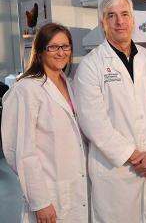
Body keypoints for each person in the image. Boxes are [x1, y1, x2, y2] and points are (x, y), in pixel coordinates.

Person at [73, 0, 146, 223]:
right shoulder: (91, 66)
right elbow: (94, 123)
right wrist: (138, 158)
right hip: (117, 172)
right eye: (112, 16)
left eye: (125, 14)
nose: (120, 21)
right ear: (103, 24)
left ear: (133, 20)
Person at [1, 23, 89, 223]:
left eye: (65, 46)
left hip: (75, 188)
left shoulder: (68, 83)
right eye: (53, 47)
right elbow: (23, 152)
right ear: (40, 52)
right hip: (49, 193)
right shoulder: (26, 89)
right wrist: (40, 201)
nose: (61, 53)